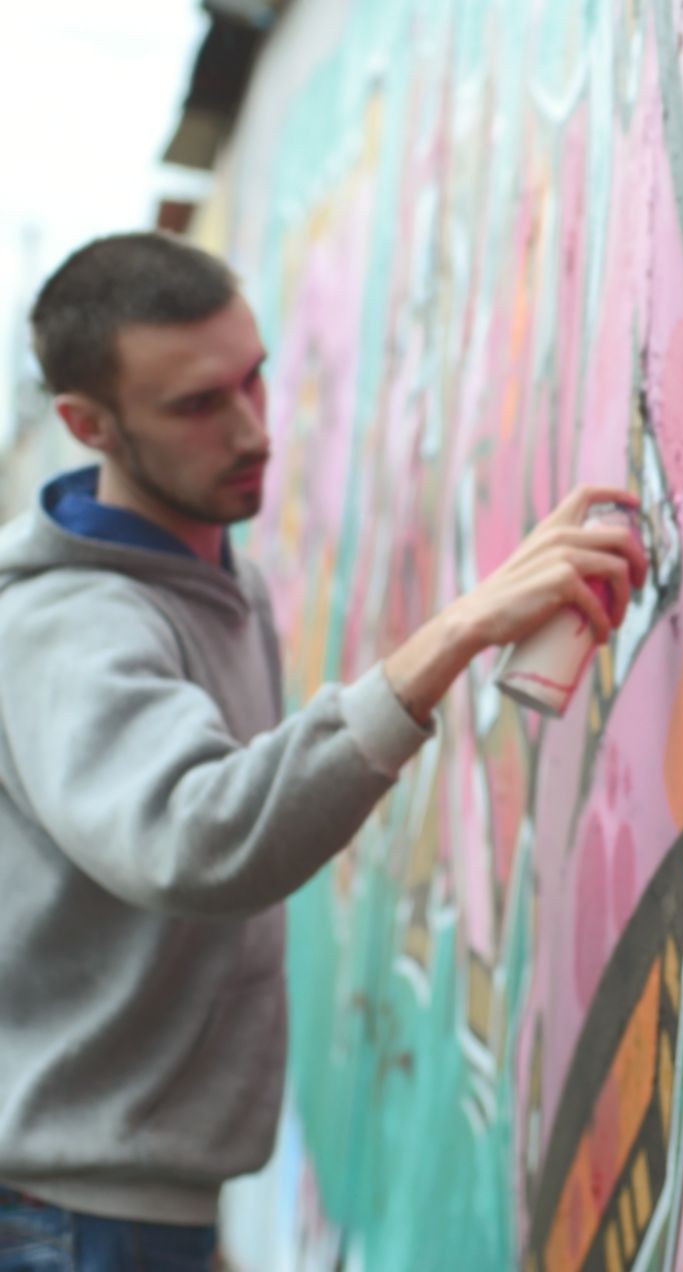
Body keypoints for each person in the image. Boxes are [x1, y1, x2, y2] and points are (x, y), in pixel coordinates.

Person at [0, 232, 646, 1270]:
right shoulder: (67, 628)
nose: (254, 429)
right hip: (72, 1222)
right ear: (89, 425)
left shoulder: (218, 582)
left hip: (134, 1210)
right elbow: (197, 838)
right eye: (199, 406)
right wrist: (456, 633)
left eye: (253, 378)